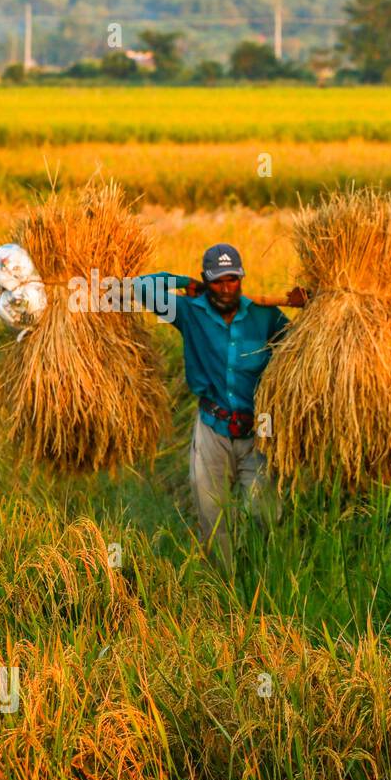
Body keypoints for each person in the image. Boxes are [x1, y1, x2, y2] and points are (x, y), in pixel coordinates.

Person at [133, 244, 305, 571]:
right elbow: (140, 287)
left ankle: (261, 580)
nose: (226, 289)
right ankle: (222, 585)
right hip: (212, 426)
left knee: (264, 514)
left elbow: (303, 347)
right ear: (205, 280)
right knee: (212, 514)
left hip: (259, 429)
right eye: (217, 282)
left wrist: (306, 307)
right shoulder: (188, 312)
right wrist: (182, 281)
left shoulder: (264, 314)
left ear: (241, 278)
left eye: (232, 280)